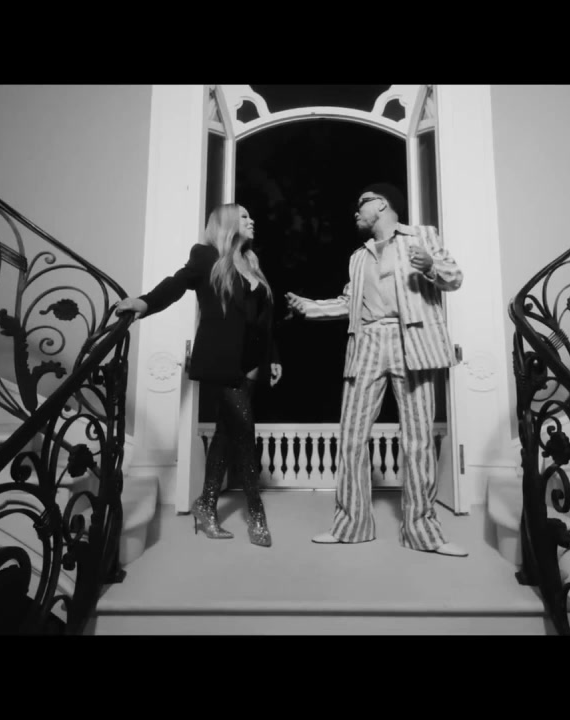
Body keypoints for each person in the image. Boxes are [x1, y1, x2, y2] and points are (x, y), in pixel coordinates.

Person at [286, 183, 467, 557]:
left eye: (361, 204)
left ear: (381, 204)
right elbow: (349, 303)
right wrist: (310, 308)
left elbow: (454, 278)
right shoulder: (359, 257)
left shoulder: (421, 236)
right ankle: (351, 525)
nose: (356, 211)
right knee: (352, 436)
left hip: (412, 341)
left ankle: (423, 532)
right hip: (367, 340)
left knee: (418, 439)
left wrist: (430, 266)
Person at [115, 204, 282, 547]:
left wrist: (273, 357)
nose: (252, 220)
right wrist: (144, 303)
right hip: (222, 362)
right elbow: (177, 283)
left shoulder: (251, 262)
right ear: (227, 222)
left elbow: (262, 320)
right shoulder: (207, 257)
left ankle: (205, 505)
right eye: (245, 216)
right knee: (244, 434)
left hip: (251, 365)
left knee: (225, 434)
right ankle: (256, 512)